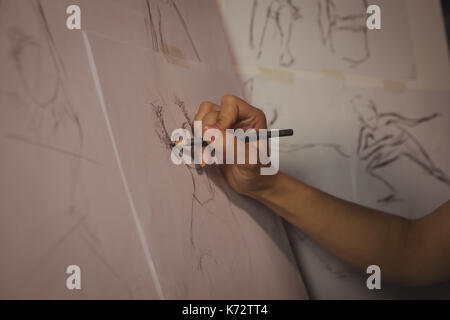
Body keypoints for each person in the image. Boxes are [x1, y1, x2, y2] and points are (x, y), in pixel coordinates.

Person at [195, 94, 450, 287]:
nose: (367, 118)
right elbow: (413, 248)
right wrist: (263, 182)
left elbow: (413, 251)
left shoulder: (392, 130)